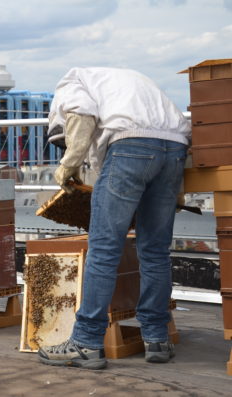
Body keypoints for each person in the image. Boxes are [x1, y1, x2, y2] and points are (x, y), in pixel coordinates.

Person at [38, 67, 191, 369]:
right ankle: (157, 338)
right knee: (155, 251)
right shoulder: (123, 82)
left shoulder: (73, 81)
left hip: (131, 147)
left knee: (105, 250)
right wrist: (177, 190)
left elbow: (80, 118)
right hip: (175, 150)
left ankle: (86, 342)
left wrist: (68, 164)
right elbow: (168, 133)